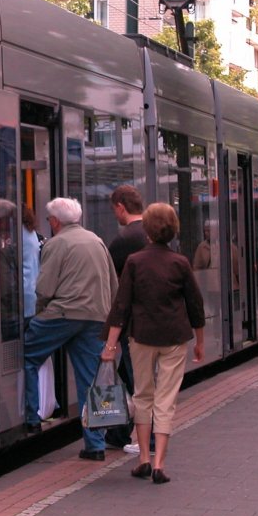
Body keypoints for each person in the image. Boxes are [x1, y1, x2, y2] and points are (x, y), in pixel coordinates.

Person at [102, 203, 205, 484]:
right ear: (173, 230)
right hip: (174, 338)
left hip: (142, 337)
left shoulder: (134, 262)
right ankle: (160, 463)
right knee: (166, 400)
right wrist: (200, 341)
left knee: (142, 396)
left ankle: (143, 460)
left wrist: (110, 345)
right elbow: (195, 305)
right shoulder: (180, 262)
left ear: (146, 230)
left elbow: (120, 306)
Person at [24, 197, 117, 461]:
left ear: (54, 221)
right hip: (96, 317)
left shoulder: (56, 244)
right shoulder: (97, 241)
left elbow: (44, 289)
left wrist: (39, 314)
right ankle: (95, 446)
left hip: (62, 315)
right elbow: (113, 283)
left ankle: (31, 419)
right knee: (92, 380)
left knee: (29, 356)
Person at [104, 185, 148, 451]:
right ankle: (118, 435)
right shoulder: (153, 233)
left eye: (114, 210)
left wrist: (110, 338)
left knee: (135, 382)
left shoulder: (124, 240)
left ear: (121, 206)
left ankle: (148, 440)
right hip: (153, 321)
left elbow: (115, 286)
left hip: (134, 323)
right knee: (126, 378)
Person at [22, 205, 55, 420]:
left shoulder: (18, 236)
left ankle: (33, 414)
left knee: (29, 358)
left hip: (23, 304)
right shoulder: (34, 234)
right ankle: (45, 406)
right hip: (34, 302)